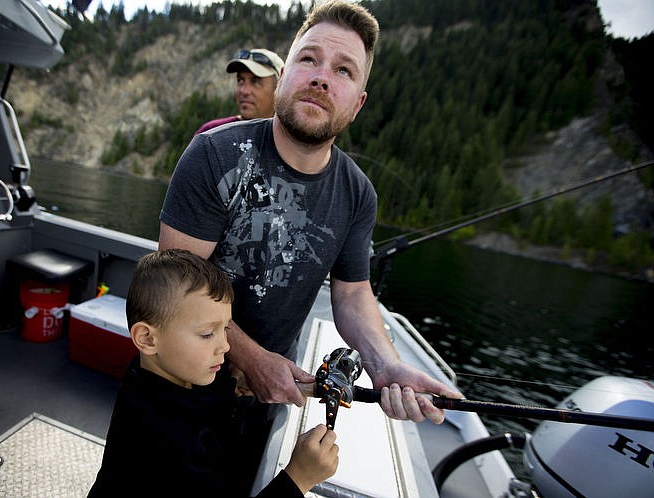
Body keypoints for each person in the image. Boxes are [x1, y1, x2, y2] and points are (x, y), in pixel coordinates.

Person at [159, 0, 461, 484]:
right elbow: (173, 284)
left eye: (344, 70)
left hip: (258, 404)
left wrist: (385, 365)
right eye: (309, 59)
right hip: (172, 391)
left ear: (357, 102)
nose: (323, 77)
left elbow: (352, 292)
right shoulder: (215, 155)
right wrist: (253, 358)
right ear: (284, 75)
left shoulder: (358, 193)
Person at [88, 249, 338, 497]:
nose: (226, 346)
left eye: (225, 329)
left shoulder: (149, 372)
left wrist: (231, 387)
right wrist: (298, 478)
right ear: (147, 338)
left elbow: (195, 403)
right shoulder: (170, 442)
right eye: (208, 334)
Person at [195, 48, 285, 135]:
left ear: (278, 88)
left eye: (255, 82)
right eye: (240, 81)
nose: (244, 91)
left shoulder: (292, 141)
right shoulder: (211, 133)